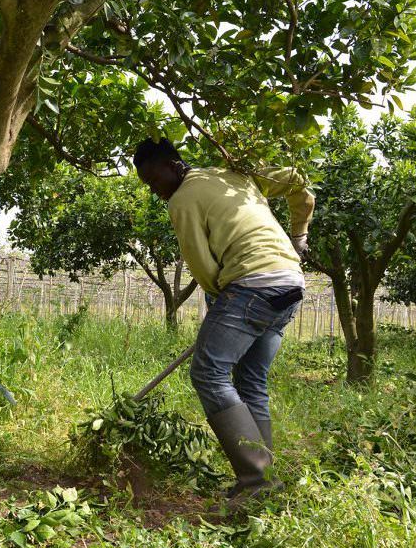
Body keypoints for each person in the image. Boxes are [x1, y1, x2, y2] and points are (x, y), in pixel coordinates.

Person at [133, 138, 314, 504]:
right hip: (289, 282)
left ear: (174, 166)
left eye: (153, 180)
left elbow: (201, 264)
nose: (154, 191)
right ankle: (265, 478)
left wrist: (221, 300)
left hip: (252, 284)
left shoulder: (182, 199)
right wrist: (299, 237)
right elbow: (300, 184)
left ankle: (257, 482)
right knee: (250, 381)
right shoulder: (235, 175)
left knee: (208, 373)